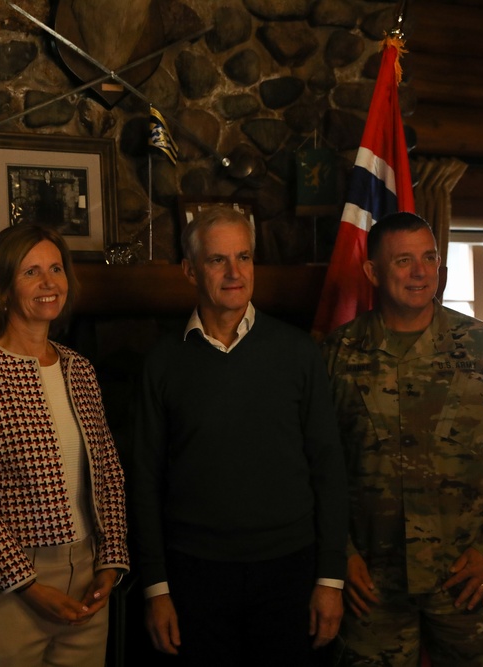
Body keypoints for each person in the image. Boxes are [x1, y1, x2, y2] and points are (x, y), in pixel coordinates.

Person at [131, 206, 348, 666]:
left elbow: (329, 467)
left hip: (291, 570)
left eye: (244, 257)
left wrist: (330, 579)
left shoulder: (298, 352)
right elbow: (144, 480)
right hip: (194, 575)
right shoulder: (163, 362)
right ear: (190, 270)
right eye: (217, 260)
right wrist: (156, 587)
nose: (234, 272)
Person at [323, 212, 483, 666]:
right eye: (404, 260)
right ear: (372, 272)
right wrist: (337, 555)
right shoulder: (337, 354)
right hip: (372, 586)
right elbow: (314, 464)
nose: (421, 272)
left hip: (467, 578)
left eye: (429, 258)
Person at [0, 223, 129, 667]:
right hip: (6, 585)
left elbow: (109, 473)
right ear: (3, 290)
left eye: (56, 269)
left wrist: (111, 559)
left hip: (84, 578)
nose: (49, 283)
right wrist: (25, 582)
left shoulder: (79, 369)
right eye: (31, 272)